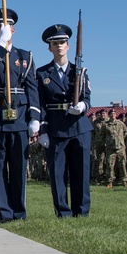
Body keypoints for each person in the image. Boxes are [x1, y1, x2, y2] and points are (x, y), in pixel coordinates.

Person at [0, 8, 40, 223]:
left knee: (19, 169)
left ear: (13, 29)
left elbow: (32, 89)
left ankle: (19, 213)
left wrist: (35, 117)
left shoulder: (25, 56)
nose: (3, 29)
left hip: (19, 118)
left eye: (7, 26)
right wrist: (1, 45)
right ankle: (3, 214)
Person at [34, 24, 92, 217]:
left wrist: (82, 106)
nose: (59, 46)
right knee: (58, 175)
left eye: (63, 42)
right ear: (49, 48)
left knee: (81, 173)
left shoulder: (80, 71)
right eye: (55, 43)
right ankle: (63, 212)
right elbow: (40, 104)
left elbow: (87, 98)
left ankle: (81, 212)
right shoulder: (42, 74)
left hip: (79, 127)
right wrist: (42, 130)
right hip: (56, 128)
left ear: (68, 46)